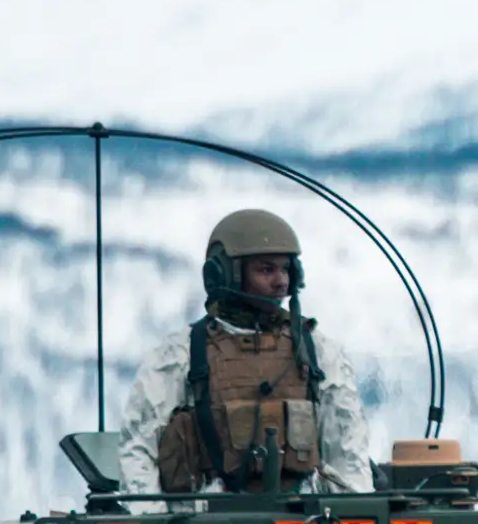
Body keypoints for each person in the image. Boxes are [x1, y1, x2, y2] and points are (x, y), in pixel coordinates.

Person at [147, 207, 369, 497]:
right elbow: (140, 447)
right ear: (226, 275)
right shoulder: (184, 353)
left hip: (303, 521)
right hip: (204, 522)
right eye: (266, 269)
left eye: (286, 269)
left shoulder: (317, 352)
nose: (281, 282)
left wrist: (357, 519)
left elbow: (347, 451)